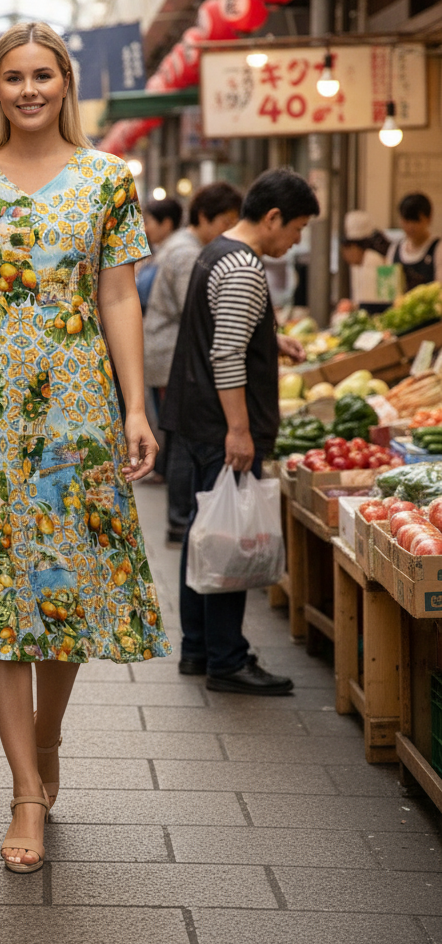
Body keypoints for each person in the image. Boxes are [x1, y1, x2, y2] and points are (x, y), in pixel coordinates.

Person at [0, 21, 169, 874]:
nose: (27, 90)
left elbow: (119, 295)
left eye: (41, 75)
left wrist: (135, 405)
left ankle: (47, 735)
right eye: (12, 76)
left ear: (65, 84)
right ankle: (24, 788)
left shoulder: (107, 180)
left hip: (78, 408)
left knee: (62, 587)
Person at [162, 167, 319, 696]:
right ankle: (226, 658)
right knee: (227, 537)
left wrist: (272, 341)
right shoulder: (245, 268)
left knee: (205, 532)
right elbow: (226, 352)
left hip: (195, 417)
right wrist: (240, 430)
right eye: (296, 228)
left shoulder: (217, 250)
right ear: (272, 217)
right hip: (218, 423)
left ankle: (198, 648)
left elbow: (225, 327)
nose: (295, 240)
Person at [144, 182, 243, 543]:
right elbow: (198, 309)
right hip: (171, 354)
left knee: (177, 434)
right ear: (204, 218)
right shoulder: (187, 253)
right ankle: (179, 520)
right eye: (226, 221)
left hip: (168, 352)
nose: (230, 230)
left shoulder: (187, 248)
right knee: (181, 438)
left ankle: (178, 519)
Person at [136, 197, 182, 313]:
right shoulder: (161, 250)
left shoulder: (176, 253)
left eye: (149, 222)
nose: (145, 228)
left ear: (166, 224)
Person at [389, 193, 442, 291]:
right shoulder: (395, 249)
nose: (411, 227)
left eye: (416, 221)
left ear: (429, 218)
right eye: (406, 221)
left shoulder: (438, 249)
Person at [340, 210, 391, 312]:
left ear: (356, 247)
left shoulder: (373, 260)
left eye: (347, 248)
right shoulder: (357, 265)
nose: (344, 255)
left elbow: (370, 304)